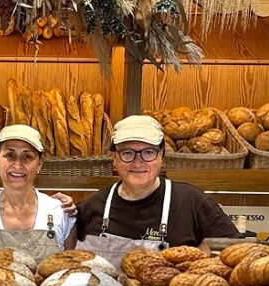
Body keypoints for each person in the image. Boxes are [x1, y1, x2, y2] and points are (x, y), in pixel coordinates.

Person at [66, 114, 239, 267]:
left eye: (148, 152)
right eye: (127, 153)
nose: (138, 162)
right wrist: (58, 208)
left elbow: (235, 249)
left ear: (162, 155)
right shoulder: (92, 206)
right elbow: (67, 256)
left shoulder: (192, 201)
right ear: (114, 158)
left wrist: (204, 259)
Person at [0, 124, 73, 263]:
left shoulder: (60, 211)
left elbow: (72, 270)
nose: (17, 165)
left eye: (27, 156)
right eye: (10, 155)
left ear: (40, 164)